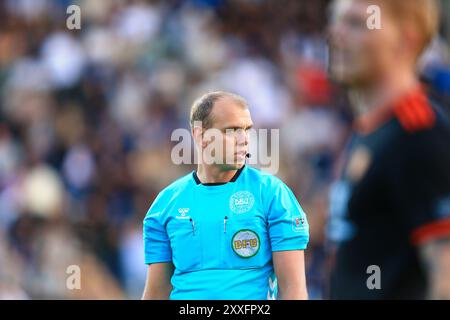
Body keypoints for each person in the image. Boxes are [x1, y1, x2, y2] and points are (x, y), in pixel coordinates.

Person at [327, 0, 450, 299]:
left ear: (405, 39)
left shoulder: (418, 133)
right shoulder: (370, 129)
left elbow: (445, 277)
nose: (335, 34)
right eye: (336, 21)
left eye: (356, 24)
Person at [141, 91, 309, 300]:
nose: (244, 140)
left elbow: (294, 291)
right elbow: (155, 294)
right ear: (200, 135)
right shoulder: (165, 205)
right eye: (232, 130)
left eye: (247, 129)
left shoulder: (273, 195)